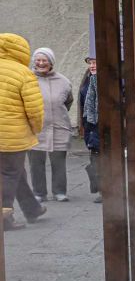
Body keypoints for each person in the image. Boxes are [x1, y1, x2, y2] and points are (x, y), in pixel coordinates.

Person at [0, 33, 47, 230]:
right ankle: (5, 218)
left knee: (17, 172)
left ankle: (31, 208)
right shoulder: (23, 73)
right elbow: (34, 109)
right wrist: (36, 128)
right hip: (13, 136)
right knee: (10, 173)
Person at [29, 47, 73, 202]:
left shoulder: (63, 81)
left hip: (59, 127)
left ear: (51, 62)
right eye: (38, 60)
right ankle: (39, 193)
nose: (41, 63)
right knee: (36, 163)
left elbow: (68, 102)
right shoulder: (27, 79)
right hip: (35, 128)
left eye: (44, 60)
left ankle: (59, 191)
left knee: (59, 162)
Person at [79, 56, 101, 203]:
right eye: (90, 63)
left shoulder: (107, 80)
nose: (92, 66)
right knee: (95, 159)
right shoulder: (87, 80)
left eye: (95, 62)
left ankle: (110, 190)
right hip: (91, 126)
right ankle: (102, 190)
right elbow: (81, 105)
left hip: (103, 126)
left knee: (106, 159)